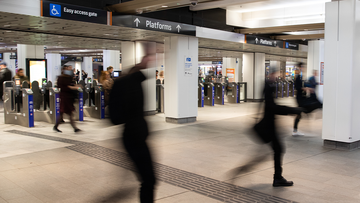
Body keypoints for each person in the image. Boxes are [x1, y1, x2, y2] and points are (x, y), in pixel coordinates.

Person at [230, 66, 303, 187]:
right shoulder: (268, 86)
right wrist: (292, 110)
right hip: (268, 126)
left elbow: (267, 106)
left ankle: (277, 177)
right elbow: (271, 107)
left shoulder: (269, 85)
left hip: (269, 125)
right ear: (271, 74)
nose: (276, 77)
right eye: (275, 74)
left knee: (275, 150)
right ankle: (242, 171)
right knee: (267, 153)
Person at [110, 55, 156, 202]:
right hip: (133, 138)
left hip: (136, 137)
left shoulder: (128, 83)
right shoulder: (125, 85)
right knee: (149, 180)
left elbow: (140, 76)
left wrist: (142, 64)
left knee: (148, 179)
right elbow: (115, 118)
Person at [53, 65, 81, 133]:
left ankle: (56, 126)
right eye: (67, 69)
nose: (68, 70)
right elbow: (64, 87)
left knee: (62, 113)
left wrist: (76, 86)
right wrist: (74, 87)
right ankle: (75, 128)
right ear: (63, 70)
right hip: (64, 97)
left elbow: (72, 84)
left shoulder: (70, 77)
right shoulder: (60, 78)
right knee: (69, 113)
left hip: (69, 97)